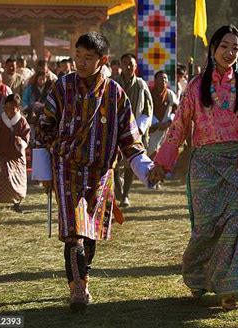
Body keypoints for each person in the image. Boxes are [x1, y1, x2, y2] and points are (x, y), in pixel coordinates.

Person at [33, 32, 155, 312]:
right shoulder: (62, 87)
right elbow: (44, 125)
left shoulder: (115, 93)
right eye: (78, 56)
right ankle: (79, 289)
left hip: (100, 175)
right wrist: (46, 168)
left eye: (88, 58)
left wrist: (147, 170)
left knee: (90, 233)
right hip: (67, 168)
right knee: (74, 231)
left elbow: (130, 138)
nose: (81, 63)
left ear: (102, 60)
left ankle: (83, 276)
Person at [150, 25, 238, 309]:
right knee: (206, 230)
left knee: (236, 225)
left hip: (236, 164)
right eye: (224, 46)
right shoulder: (195, 86)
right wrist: (161, 164)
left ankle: (230, 288)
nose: (230, 53)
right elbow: (178, 128)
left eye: (235, 48)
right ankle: (199, 276)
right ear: (213, 49)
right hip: (203, 166)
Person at [113, 53, 153, 206]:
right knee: (114, 162)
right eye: (125, 63)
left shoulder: (141, 85)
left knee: (132, 163)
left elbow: (148, 111)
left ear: (136, 66)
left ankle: (125, 195)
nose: (128, 66)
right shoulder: (113, 83)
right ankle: (118, 188)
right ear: (120, 65)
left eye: (131, 64)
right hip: (115, 131)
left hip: (135, 132)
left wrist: (139, 129)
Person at [0, 94, 30, 213]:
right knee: (7, 177)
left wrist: (21, 142)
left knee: (20, 180)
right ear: (4, 107)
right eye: (7, 107)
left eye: (13, 108)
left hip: (18, 156)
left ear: (18, 108)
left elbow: (26, 137)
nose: (10, 111)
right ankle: (5, 197)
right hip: (4, 155)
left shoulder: (22, 121)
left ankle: (17, 202)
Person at [147, 70, 178, 157]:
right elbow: (146, 110)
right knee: (151, 152)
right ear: (155, 80)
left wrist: (168, 122)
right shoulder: (149, 94)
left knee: (164, 154)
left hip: (166, 128)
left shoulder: (170, 94)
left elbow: (176, 111)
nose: (164, 80)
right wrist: (156, 123)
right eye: (161, 78)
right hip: (152, 129)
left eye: (165, 78)